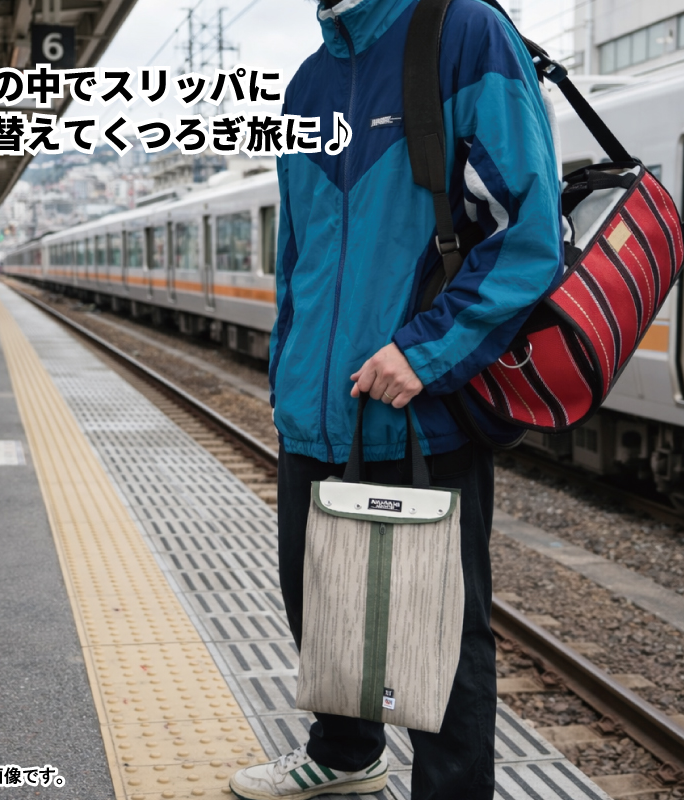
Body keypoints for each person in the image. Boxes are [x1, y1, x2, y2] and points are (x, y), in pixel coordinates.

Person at [228, 1, 562, 800]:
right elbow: (298, 257)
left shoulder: (463, 33)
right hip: (315, 414)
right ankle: (345, 754)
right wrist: (287, 378)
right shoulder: (305, 85)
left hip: (422, 411)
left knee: (440, 635)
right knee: (322, 605)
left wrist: (425, 351)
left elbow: (527, 233)